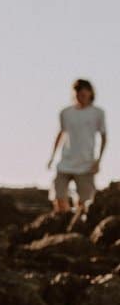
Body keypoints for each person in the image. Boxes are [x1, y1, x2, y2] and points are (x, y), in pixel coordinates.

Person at [47, 79, 107, 213]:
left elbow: (104, 137)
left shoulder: (97, 113)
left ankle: (78, 227)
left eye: (84, 95)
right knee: (58, 197)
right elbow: (61, 134)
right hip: (65, 162)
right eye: (78, 95)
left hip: (86, 163)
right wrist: (52, 157)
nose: (81, 98)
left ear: (90, 94)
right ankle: (65, 223)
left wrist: (98, 160)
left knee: (85, 202)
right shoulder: (65, 113)